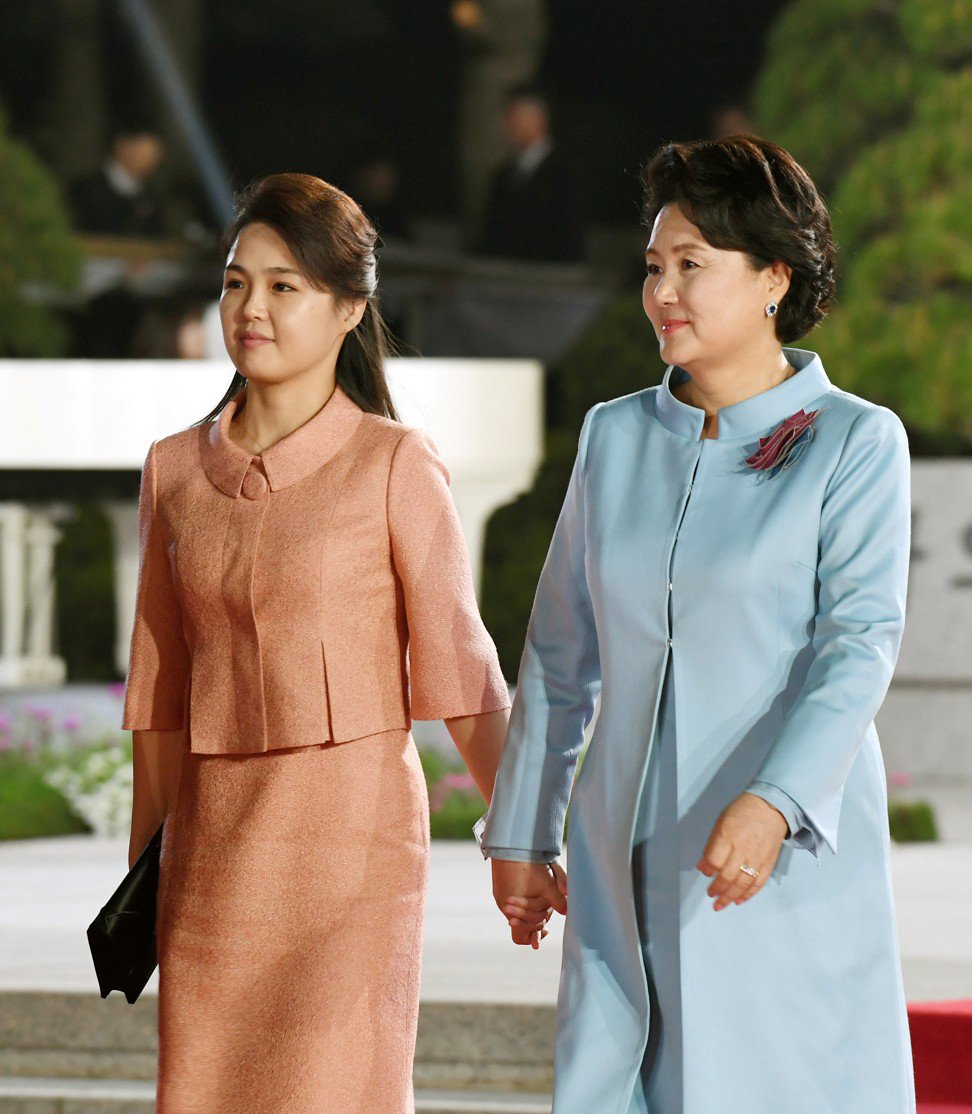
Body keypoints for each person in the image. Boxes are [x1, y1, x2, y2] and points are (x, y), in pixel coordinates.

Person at [478, 135, 916, 1112]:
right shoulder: (614, 435)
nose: (663, 292)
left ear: (773, 278)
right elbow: (559, 655)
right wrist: (522, 831)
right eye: (653, 266)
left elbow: (857, 648)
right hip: (618, 861)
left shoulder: (854, 442)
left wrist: (777, 801)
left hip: (770, 856)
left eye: (692, 265)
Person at [121, 172, 511, 1113]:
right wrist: (142, 884)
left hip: (353, 861)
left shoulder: (394, 463)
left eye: (283, 286)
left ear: (348, 308)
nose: (250, 308)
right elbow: (159, 698)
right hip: (211, 865)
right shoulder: (173, 471)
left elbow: (464, 674)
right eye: (235, 283)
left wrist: (527, 835)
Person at [478, 83, 585, 263]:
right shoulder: (503, 176)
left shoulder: (565, 175)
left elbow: (568, 240)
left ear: (538, 119)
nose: (507, 124)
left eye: (514, 116)